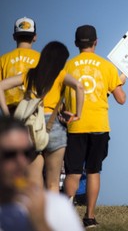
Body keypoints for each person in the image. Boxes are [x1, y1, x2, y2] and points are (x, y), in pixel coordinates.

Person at [63, 25, 126, 228]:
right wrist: (119, 82)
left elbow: (60, 99)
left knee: (72, 172)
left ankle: (66, 214)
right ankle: (89, 217)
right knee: (93, 171)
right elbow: (121, 99)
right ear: (96, 42)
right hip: (99, 125)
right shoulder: (107, 67)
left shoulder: (67, 66)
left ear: (76, 44)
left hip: (75, 126)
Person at [0, 41, 84, 192]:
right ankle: (52, 215)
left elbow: (1, 85)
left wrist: (7, 116)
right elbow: (79, 86)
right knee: (53, 182)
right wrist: (78, 114)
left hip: (31, 126)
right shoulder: (60, 74)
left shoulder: (29, 74)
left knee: (34, 180)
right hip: (54, 125)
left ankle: (36, 213)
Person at [0, 116, 84, 231]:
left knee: (39, 181)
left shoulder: (59, 207)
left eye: (27, 153)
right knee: (53, 182)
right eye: (9, 154)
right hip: (52, 121)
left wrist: (41, 223)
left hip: (33, 121)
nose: (21, 161)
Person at [0, 17, 40, 114]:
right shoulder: (41, 59)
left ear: (14, 36)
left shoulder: (3, 60)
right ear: (35, 37)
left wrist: (7, 116)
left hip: (11, 111)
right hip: (35, 112)